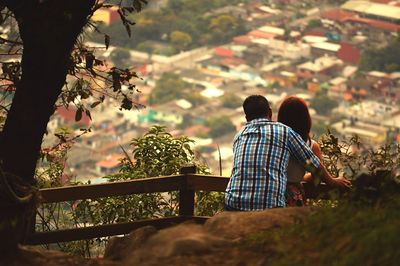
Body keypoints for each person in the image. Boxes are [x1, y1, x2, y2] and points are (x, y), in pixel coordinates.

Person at [225, 95, 351, 211]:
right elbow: (311, 163)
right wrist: (333, 181)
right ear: (270, 112)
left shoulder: (239, 136)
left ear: (246, 117)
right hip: (270, 205)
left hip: (232, 203)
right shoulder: (284, 132)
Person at [277, 96, 342, 206]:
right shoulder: (310, 146)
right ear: (306, 119)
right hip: (293, 196)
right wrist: (302, 177)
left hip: (273, 189)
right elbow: (317, 175)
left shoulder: (274, 141)